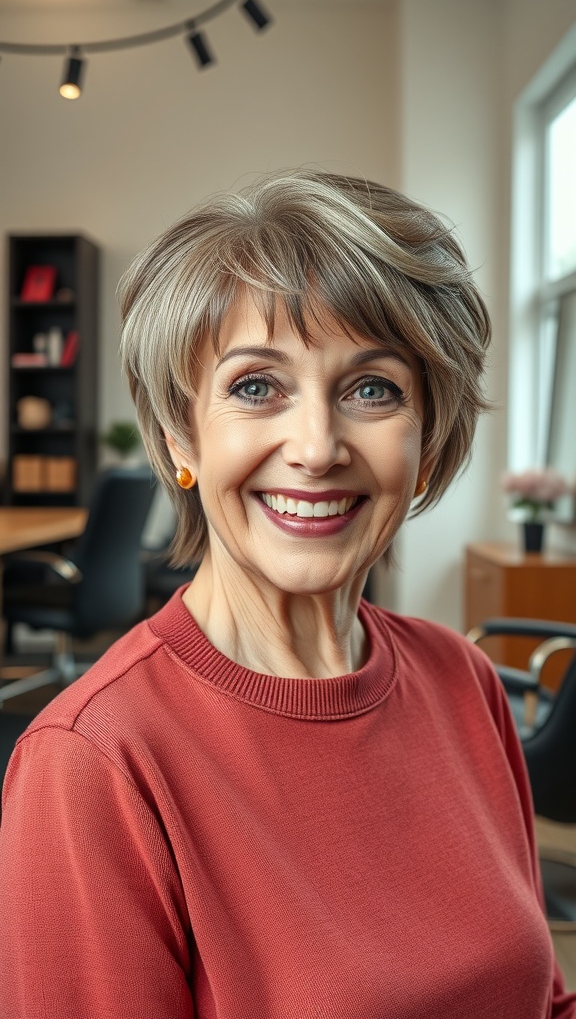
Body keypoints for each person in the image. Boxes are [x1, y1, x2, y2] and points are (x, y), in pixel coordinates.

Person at [0, 170, 574, 1019]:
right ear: (179, 433)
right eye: (256, 386)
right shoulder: (93, 762)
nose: (316, 447)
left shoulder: (464, 679)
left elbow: (539, 1000)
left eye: (372, 388)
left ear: (429, 435)